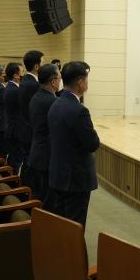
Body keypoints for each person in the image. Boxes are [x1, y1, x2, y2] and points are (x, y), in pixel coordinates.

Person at [47, 61, 99, 227]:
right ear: (80, 82)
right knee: (75, 226)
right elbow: (92, 144)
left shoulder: (56, 103)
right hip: (75, 179)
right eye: (87, 79)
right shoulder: (79, 111)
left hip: (58, 174)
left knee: (62, 225)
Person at [25, 63, 60, 202]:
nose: (61, 81)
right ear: (53, 81)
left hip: (37, 153)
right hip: (47, 157)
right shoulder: (52, 101)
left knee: (41, 197)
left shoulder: (37, 96)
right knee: (48, 201)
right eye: (59, 78)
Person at [18, 50, 44, 160]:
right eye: (43, 63)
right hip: (31, 131)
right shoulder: (33, 85)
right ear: (37, 66)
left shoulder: (26, 80)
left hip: (25, 128)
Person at [3, 62, 23, 170]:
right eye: (22, 71)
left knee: (14, 157)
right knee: (16, 159)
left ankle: (11, 176)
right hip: (15, 129)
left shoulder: (12, 87)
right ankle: (12, 178)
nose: (23, 74)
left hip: (13, 127)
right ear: (16, 75)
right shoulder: (14, 90)